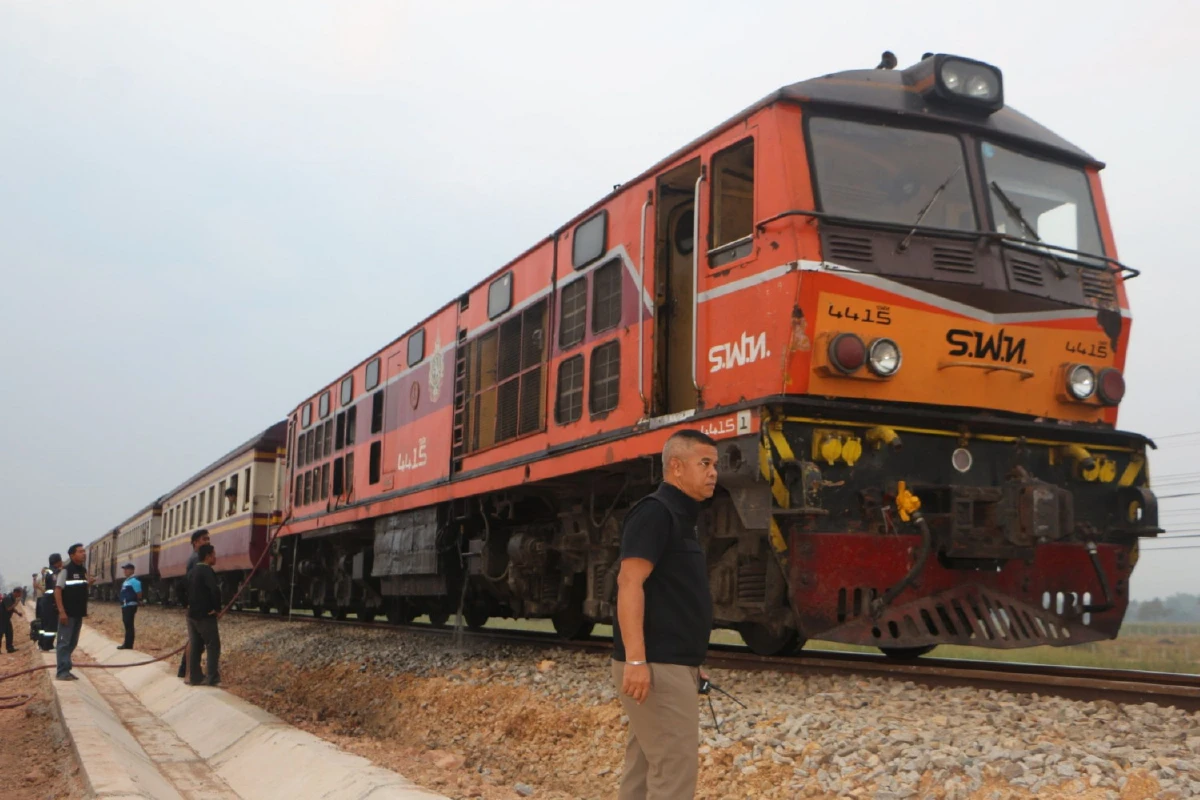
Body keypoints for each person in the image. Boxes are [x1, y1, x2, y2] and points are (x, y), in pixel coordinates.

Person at [611, 430, 719, 800]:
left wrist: (692, 662)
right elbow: (629, 583)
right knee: (674, 770)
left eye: (714, 464)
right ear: (675, 466)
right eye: (704, 463)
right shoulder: (655, 513)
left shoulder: (682, 516)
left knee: (643, 770)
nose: (713, 472)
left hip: (672, 664)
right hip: (655, 666)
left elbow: (672, 594)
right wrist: (636, 659)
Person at [54, 544, 92, 681]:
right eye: (80, 552)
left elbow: (79, 589)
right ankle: (62, 671)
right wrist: (62, 612)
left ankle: (66, 668)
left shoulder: (82, 570)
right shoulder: (66, 571)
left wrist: (89, 584)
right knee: (64, 643)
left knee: (72, 643)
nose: (84, 554)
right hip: (68, 613)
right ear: (72, 555)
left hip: (78, 613)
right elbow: (58, 590)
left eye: (84, 551)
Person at [178, 529, 211, 679]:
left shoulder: (195, 558)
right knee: (196, 640)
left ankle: (184, 669)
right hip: (196, 606)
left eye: (208, 539)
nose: (207, 542)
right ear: (196, 542)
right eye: (204, 539)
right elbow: (190, 583)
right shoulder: (197, 559)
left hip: (193, 604)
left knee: (195, 639)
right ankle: (190, 671)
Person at [187, 544, 221, 687]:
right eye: (214, 554)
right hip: (205, 615)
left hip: (191, 615)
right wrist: (216, 608)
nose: (215, 557)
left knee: (195, 645)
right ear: (207, 556)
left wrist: (186, 604)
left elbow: (179, 588)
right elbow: (214, 590)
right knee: (213, 645)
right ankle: (212, 677)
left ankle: (195, 677)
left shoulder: (192, 571)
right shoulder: (207, 571)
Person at [36, 557, 62, 652]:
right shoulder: (54, 573)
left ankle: (41, 644)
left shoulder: (47, 572)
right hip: (51, 601)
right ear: (57, 562)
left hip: (45, 600)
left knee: (44, 624)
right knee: (51, 625)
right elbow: (55, 588)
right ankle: (48, 645)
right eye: (60, 561)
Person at [117, 563, 143, 650]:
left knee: (129, 625)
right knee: (127, 624)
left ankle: (128, 644)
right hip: (125, 605)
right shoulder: (127, 580)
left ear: (132, 570)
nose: (125, 571)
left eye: (127, 569)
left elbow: (138, 593)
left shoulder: (134, 581)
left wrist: (138, 600)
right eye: (124, 569)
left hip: (130, 605)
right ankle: (127, 643)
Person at [1, 588, 26, 653]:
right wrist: (16, 602)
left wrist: (17, 613)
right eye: (20, 593)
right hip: (2, 618)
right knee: (0, 633)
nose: (21, 595)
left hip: (6, 618)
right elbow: (8, 608)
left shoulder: (12, 598)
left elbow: (12, 608)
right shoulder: (8, 598)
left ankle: (10, 648)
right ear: (16, 592)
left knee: (9, 633)